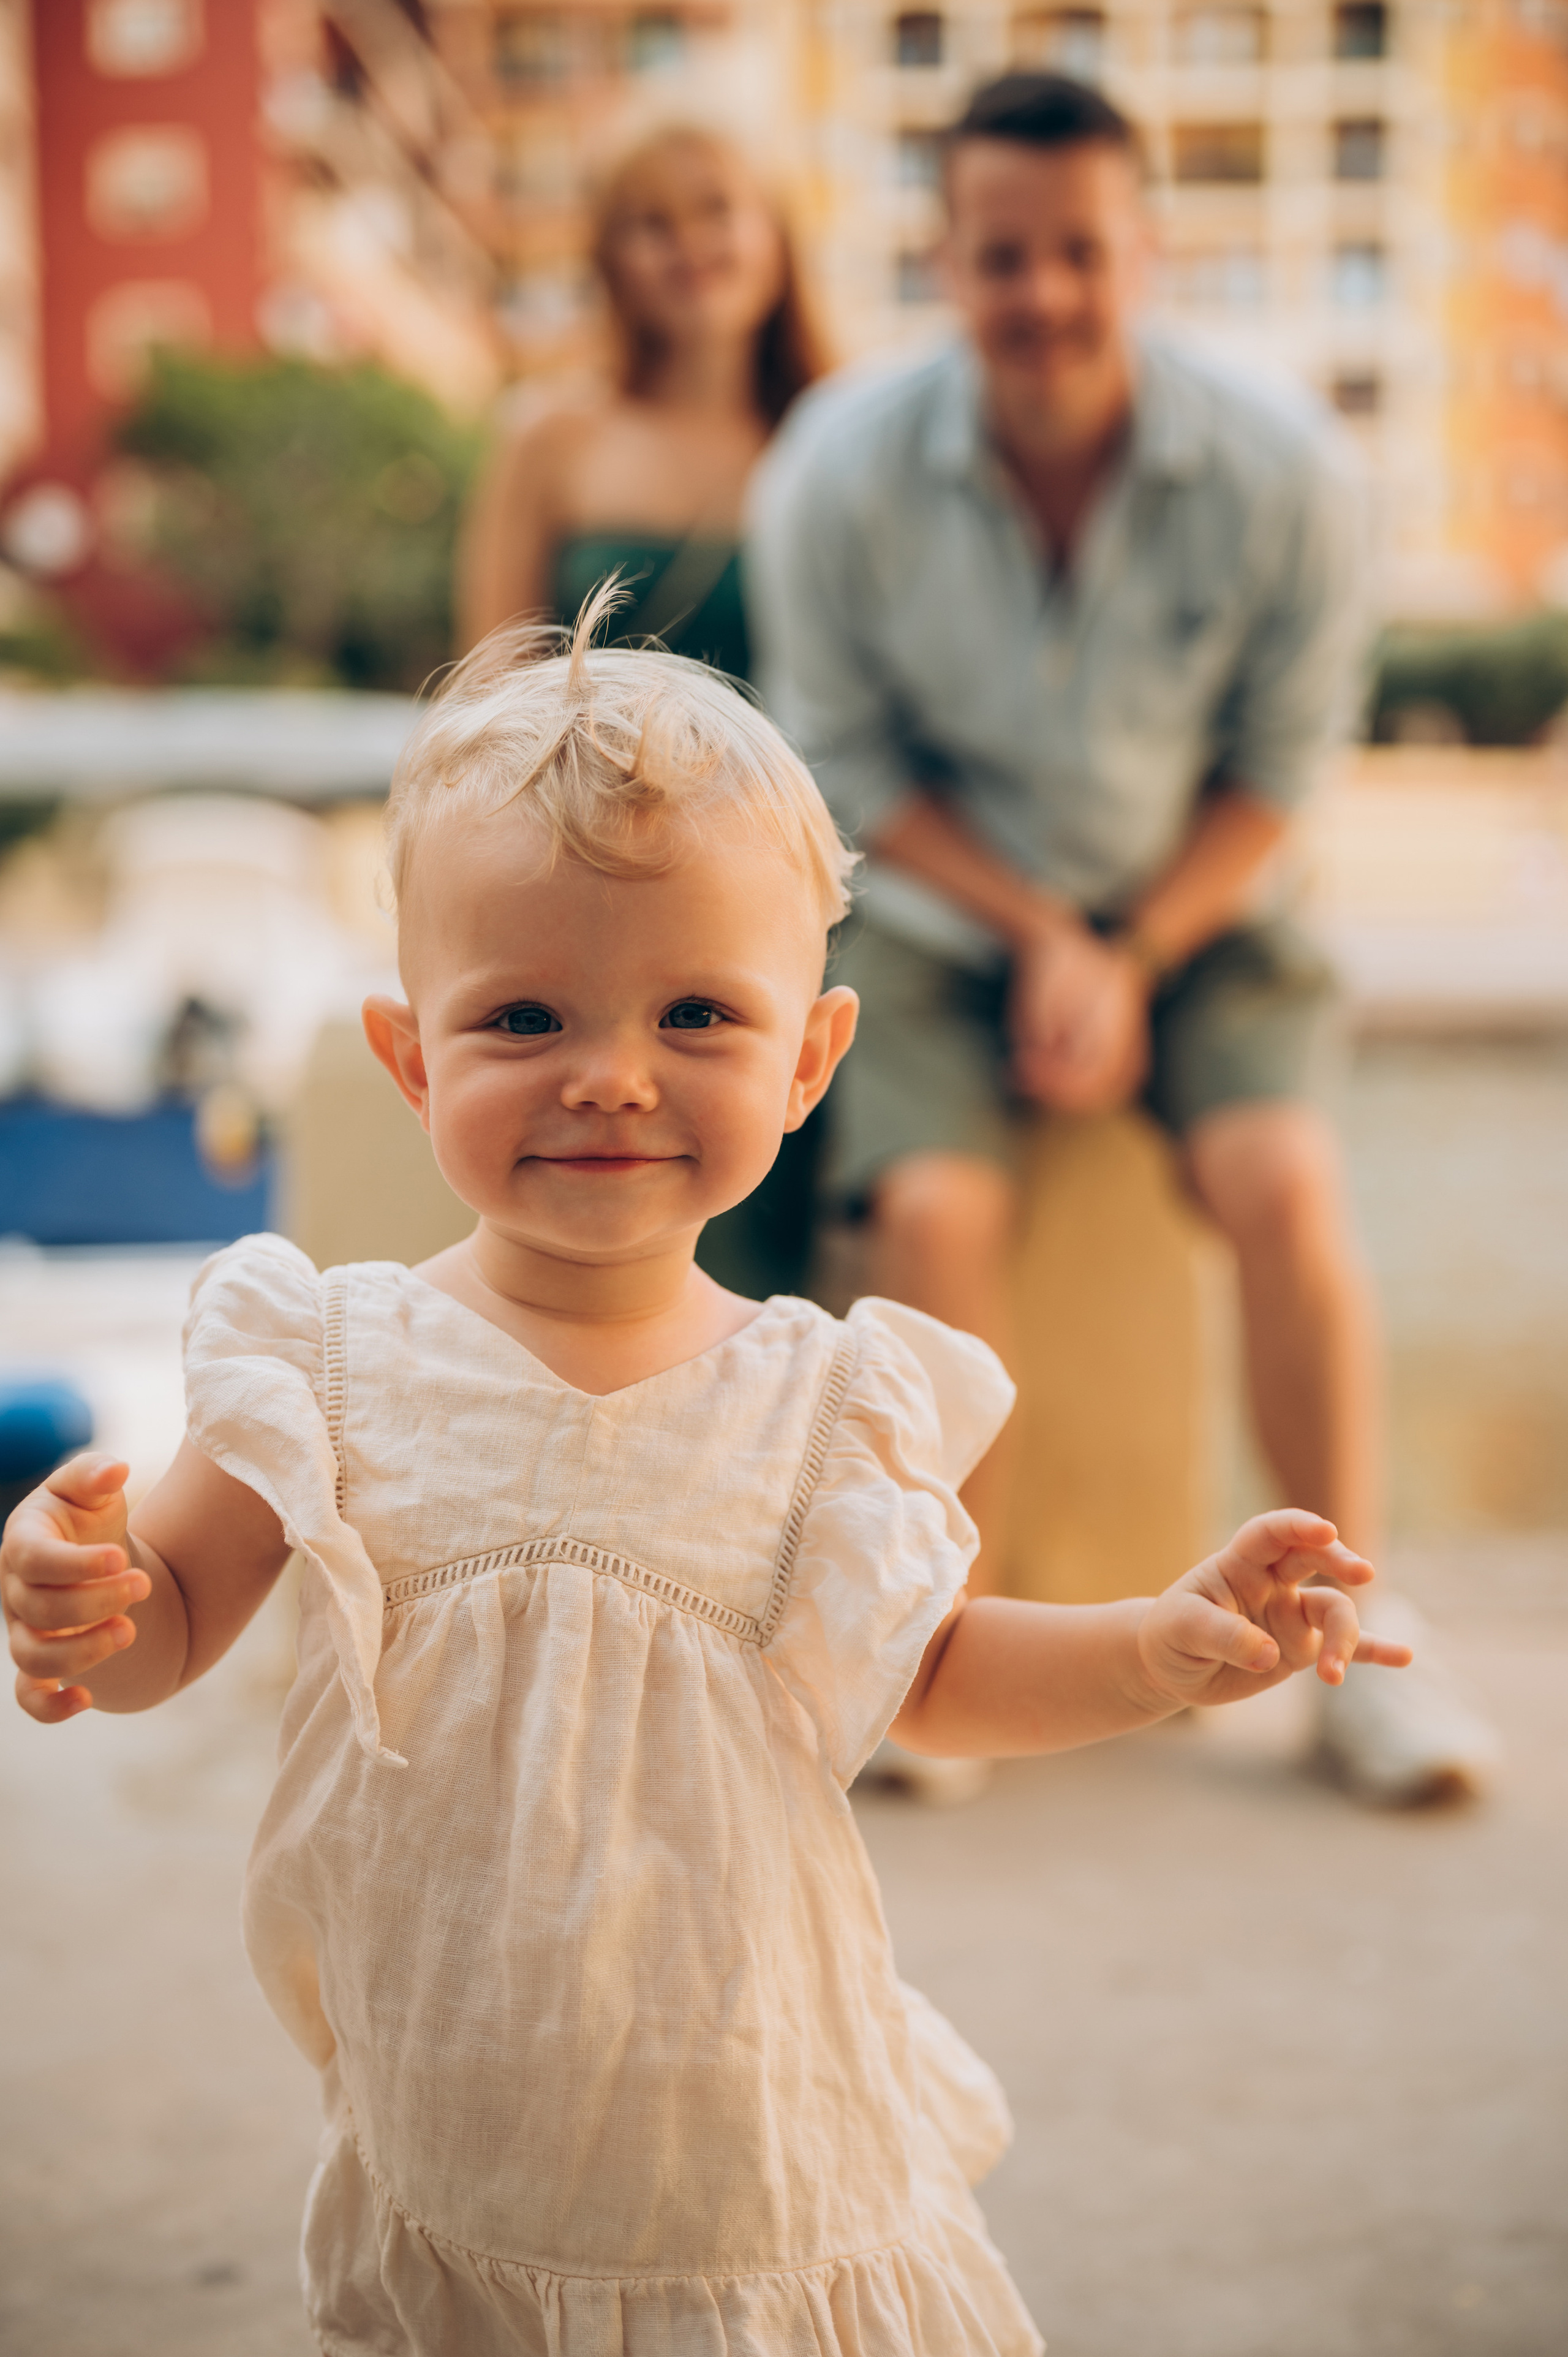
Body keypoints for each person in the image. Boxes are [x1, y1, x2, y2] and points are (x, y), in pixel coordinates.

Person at [2, 599, 1411, 2357]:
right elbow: (176, 1621)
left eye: (695, 1013)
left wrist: (1160, 1644)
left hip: (749, 2143)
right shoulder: (331, 1363)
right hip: (457, 2154)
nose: (610, 1074)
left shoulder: (824, 1404)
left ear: (812, 1059)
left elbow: (935, 1672)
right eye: (522, 1013)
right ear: (408, 1054)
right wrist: (88, 1595)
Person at [748, 70, 1498, 1808]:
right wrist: (1041, 937)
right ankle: (932, 1650)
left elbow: (1282, 774)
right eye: (1002, 257)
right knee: (935, 1208)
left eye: (1080, 252)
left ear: (1143, 251)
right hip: (935, 915)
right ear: (945, 262)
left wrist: (1129, 951)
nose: (1045, 296)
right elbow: (845, 766)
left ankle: (1353, 1654)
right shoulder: (837, 472)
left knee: (1287, 1186)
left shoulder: (1286, 466)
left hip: (1205, 910)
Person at [461, 123, 831, 1301]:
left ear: (777, 238)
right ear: (609, 257)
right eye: (651, 221)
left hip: (776, 893)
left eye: (716, 210)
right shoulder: (549, 436)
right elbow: (489, 684)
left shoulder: (832, 443)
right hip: (589, 880)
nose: (689, 247)